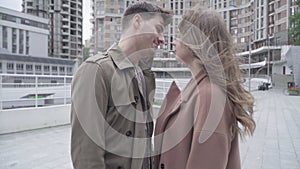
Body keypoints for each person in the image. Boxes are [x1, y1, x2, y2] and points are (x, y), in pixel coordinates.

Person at [70, 2, 172, 169]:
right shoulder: (96, 70)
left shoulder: (142, 75)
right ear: (137, 21)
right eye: (158, 28)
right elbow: (86, 155)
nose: (162, 39)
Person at [154, 7, 256, 169]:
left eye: (181, 36)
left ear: (197, 41)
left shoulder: (210, 96)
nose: (174, 40)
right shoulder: (199, 87)